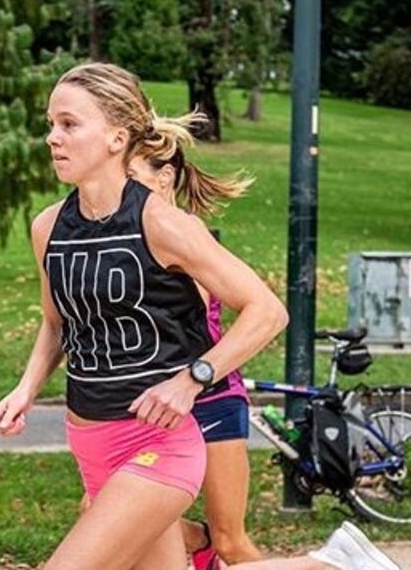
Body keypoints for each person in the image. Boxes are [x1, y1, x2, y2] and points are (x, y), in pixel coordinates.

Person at [0, 62, 400, 570]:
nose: (53, 137)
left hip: (158, 447)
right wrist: (27, 388)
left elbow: (267, 312)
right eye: (51, 124)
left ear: (117, 138)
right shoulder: (48, 227)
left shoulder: (164, 224)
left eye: (69, 124)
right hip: (92, 446)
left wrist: (191, 380)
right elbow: (57, 324)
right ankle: (335, 566)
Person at [125, 125, 261, 568]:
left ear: (163, 178)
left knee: (231, 540)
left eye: (131, 176)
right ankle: (197, 542)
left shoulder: (184, 230)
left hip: (211, 400)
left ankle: (210, 544)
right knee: (106, 515)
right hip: (153, 403)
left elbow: (186, 319)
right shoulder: (129, 235)